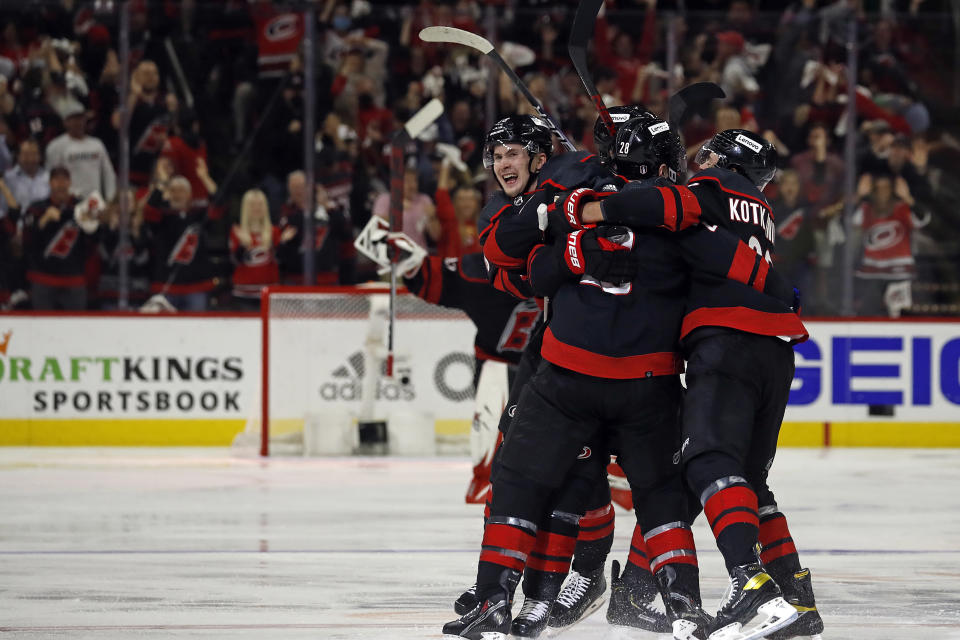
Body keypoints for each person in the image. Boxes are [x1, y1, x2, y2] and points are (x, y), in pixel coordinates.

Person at [583, 128, 821, 640]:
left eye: (709, 153)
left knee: (706, 462)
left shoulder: (714, 186)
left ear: (724, 161)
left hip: (725, 342)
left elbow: (665, 208)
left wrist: (610, 193)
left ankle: (751, 583)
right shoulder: (760, 208)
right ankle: (795, 595)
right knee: (745, 482)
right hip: (775, 351)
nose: (700, 159)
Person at [142, 161, 222, 311]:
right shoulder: (161, 218)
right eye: (173, 191)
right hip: (166, 287)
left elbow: (219, 205)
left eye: (182, 191)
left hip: (197, 287)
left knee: (196, 331)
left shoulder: (199, 216)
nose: (177, 195)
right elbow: (149, 210)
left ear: (190, 195)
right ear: (168, 194)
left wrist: (205, 178)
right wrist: (163, 182)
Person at [22, 166, 99, 310]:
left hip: (74, 280)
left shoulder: (81, 208)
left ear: (70, 183)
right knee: (41, 328)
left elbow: (94, 241)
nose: (61, 183)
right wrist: (43, 220)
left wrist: (89, 223)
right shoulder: (37, 208)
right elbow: (27, 242)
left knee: (76, 328)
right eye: (56, 179)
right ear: (50, 183)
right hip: (43, 279)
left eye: (64, 179)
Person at [44, 104, 116, 201]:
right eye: (74, 119)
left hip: (94, 200)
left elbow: (108, 174)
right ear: (66, 122)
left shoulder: (97, 144)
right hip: (71, 201)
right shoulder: (56, 146)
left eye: (80, 118)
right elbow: (51, 177)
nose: (78, 122)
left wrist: (110, 198)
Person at [229, 188, 281, 310]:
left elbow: (281, 261)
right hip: (244, 294)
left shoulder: (274, 231)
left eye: (260, 205)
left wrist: (281, 244)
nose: (257, 208)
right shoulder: (237, 231)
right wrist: (243, 244)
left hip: (269, 292)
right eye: (252, 205)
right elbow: (234, 261)